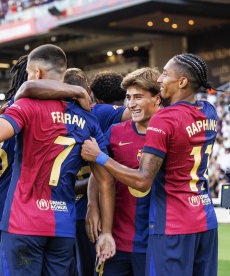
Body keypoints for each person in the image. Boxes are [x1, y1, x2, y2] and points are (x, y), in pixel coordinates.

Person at [0, 44, 112, 275]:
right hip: (62, 225)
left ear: (36, 73)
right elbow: (106, 181)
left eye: (29, 73)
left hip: (23, 222)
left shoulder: (27, 106)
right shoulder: (88, 119)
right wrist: (106, 231)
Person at [81, 53, 218, 275]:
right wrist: (92, 205)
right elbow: (100, 178)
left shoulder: (164, 121)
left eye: (165, 74)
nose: (161, 79)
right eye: (128, 97)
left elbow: (143, 180)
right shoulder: (208, 111)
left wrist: (100, 156)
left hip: (171, 223)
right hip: (203, 217)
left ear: (181, 82)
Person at [91, 68, 161, 275]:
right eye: (128, 97)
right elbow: (99, 172)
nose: (131, 104)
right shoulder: (115, 132)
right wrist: (92, 206)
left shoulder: (169, 133)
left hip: (155, 242)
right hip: (116, 241)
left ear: (157, 99)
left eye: (138, 97)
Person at [68, 70, 130, 276]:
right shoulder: (102, 112)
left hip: (78, 207)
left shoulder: (71, 114)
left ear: (92, 92)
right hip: (102, 206)